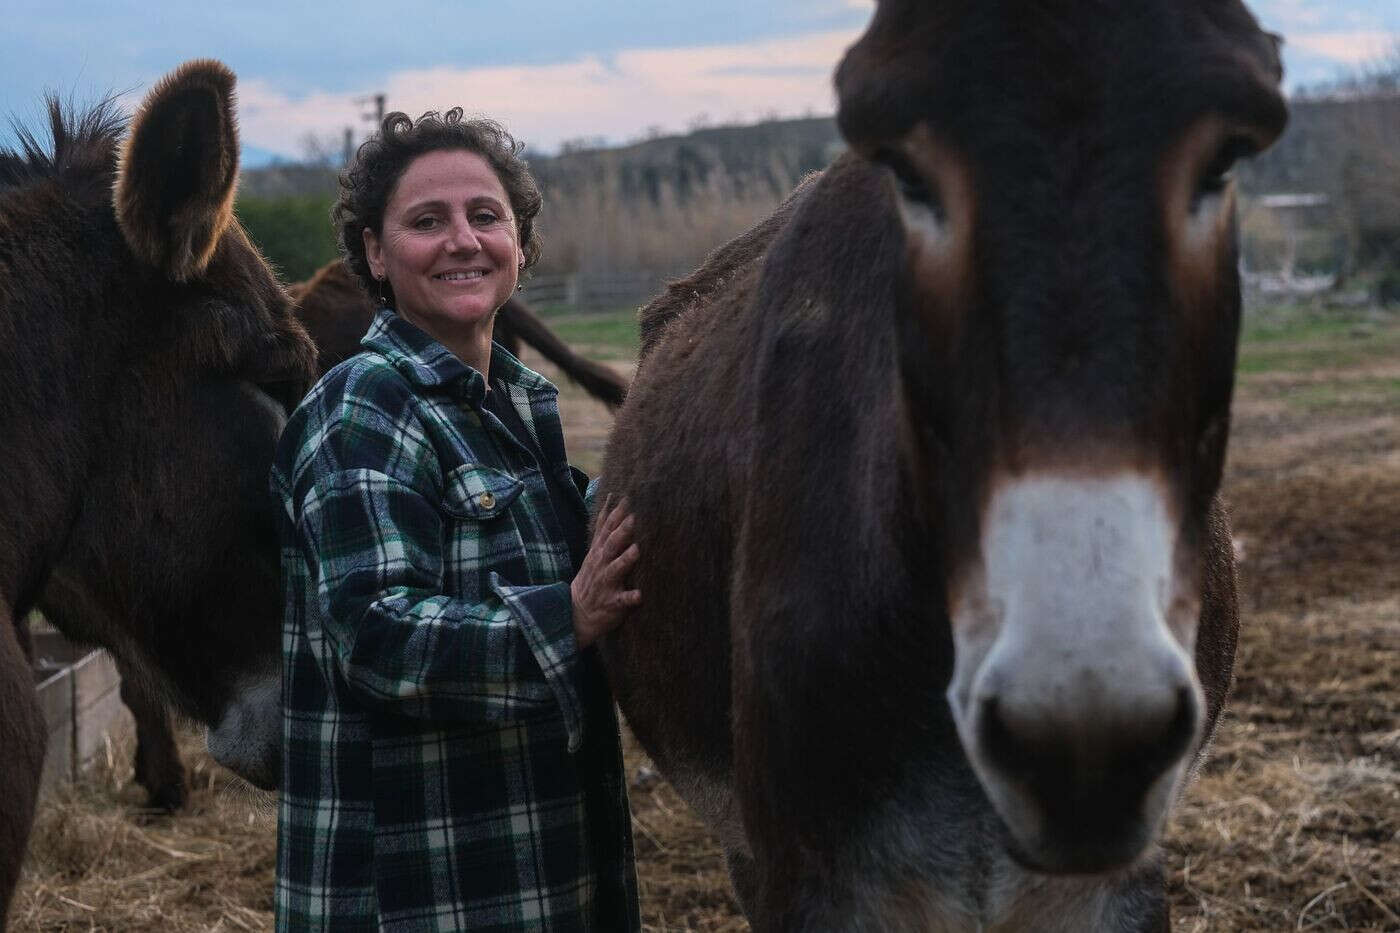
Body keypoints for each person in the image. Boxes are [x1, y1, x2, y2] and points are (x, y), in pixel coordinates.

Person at [271, 109, 642, 931]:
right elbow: (378, 636)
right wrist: (565, 617)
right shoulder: (363, 406)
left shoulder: (511, 408)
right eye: (426, 221)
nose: (463, 240)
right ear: (374, 251)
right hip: (419, 893)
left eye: (486, 216)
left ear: (520, 242)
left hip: (537, 872)